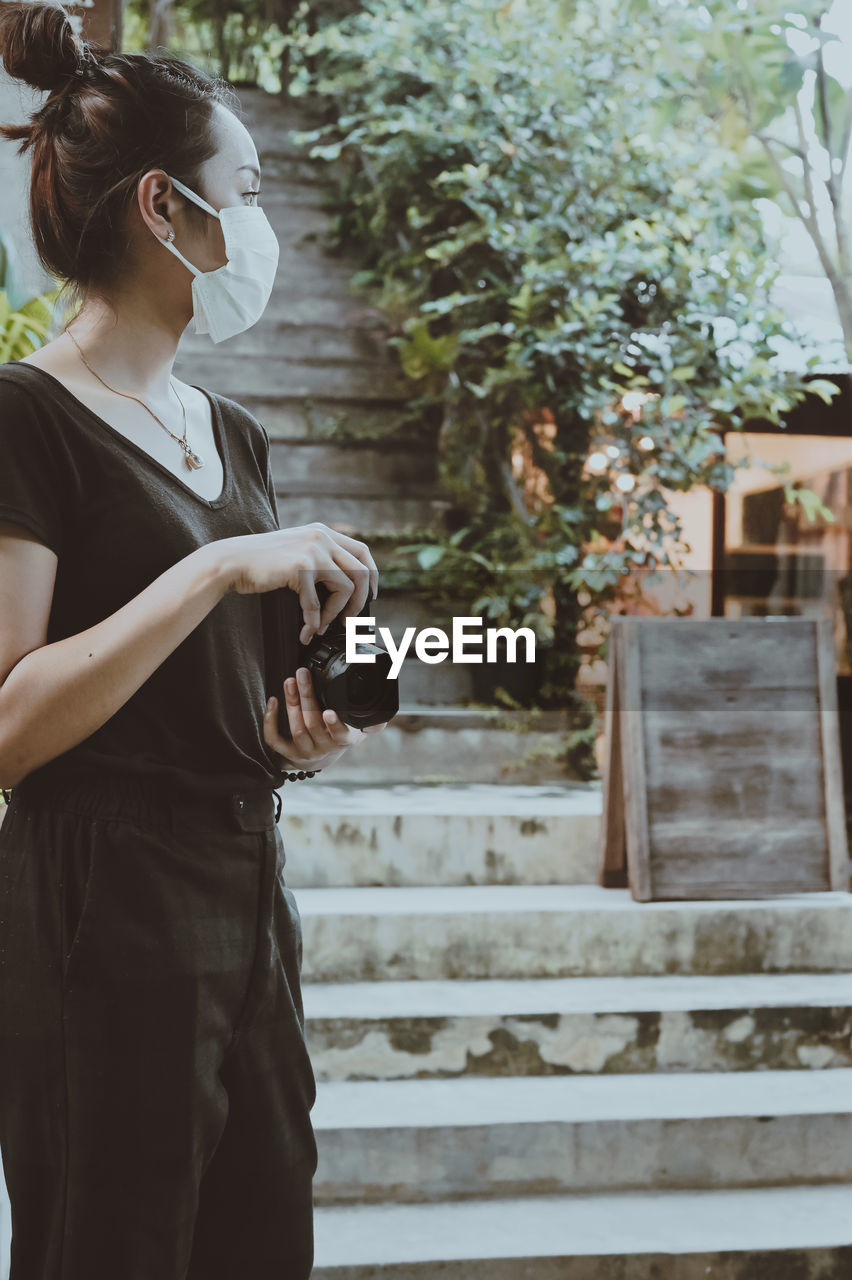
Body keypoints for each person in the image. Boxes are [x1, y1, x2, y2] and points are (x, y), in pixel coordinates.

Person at [0, 4, 389, 1277]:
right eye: (251, 192)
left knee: (264, 1235)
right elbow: (10, 724)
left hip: (244, 874)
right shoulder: (27, 419)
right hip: (97, 896)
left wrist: (296, 733)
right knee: (110, 1242)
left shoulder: (233, 432)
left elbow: (216, 688)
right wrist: (221, 563)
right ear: (165, 209)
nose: (262, 227)